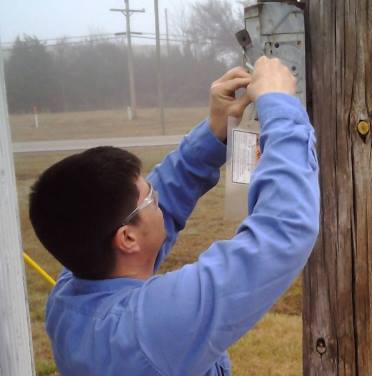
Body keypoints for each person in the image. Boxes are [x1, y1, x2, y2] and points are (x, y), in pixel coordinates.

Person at [29, 57, 320, 376]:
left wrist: (213, 132)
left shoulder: (69, 296)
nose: (160, 199)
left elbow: (164, 192)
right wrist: (279, 105)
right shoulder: (149, 330)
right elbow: (282, 233)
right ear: (126, 238)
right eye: (150, 198)